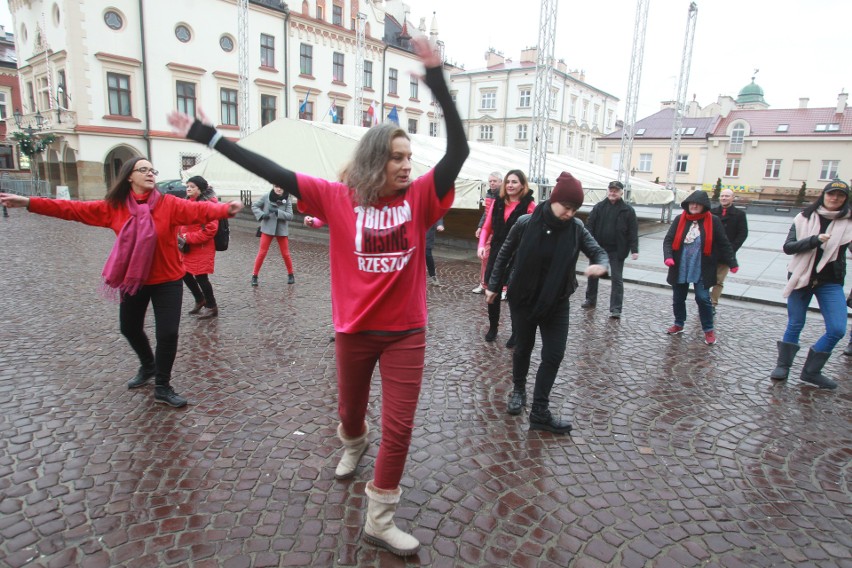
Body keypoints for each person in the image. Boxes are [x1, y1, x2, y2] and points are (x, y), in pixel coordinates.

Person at [168, 35, 469, 557]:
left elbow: (459, 150)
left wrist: (437, 80)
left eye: (410, 156)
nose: (406, 165)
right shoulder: (336, 198)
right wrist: (208, 136)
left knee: (399, 427)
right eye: (397, 157)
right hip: (353, 329)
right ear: (376, 159)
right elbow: (271, 171)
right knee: (352, 411)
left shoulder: (421, 198)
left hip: (406, 333)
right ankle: (353, 440)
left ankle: (380, 517)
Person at [0, 158, 242, 408]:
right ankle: (148, 366)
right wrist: (29, 202)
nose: (150, 173)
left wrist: (225, 209)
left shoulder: (168, 204)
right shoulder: (114, 208)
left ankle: (162, 386)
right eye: (143, 169)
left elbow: (199, 211)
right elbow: (72, 209)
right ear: (129, 176)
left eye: (152, 169)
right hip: (134, 279)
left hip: (168, 279)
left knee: (167, 333)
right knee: (129, 328)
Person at [486, 172, 608, 433]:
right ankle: (518, 391)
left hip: (557, 300)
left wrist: (601, 263)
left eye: (575, 209)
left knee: (554, 355)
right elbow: (504, 253)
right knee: (522, 349)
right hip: (524, 298)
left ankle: (540, 411)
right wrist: (494, 286)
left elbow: (597, 251)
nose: (570, 213)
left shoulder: (576, 228)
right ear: (554, 200)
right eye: (567, 207)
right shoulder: (525, 222)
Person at [770, 180, 852, 389]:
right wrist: (815, 240)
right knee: (795, 322)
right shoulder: (803, 218)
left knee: (837, 328)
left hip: (830, 281)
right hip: (800, 277)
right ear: (823, 195)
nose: (835, 198)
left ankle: (811, 371)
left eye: (840, 196)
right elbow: (789, 247)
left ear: (845, 199)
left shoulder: (849, 223)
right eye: (831, 194)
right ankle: (783, 366)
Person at [662, 190, 738, 345]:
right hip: (681, 265)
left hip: (702, 267)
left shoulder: (713, 221)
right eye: (691, 203)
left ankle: (708, 330)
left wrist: (732, 262)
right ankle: (679, 323)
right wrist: (668, 256)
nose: (694, 206)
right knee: (678, 298)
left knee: (703, 298)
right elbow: (668, 240)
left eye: (697, 204)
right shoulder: (679, 219)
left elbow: (724, 243)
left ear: (704, 206)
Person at [479, 169, 535, 344]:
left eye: (515, 182)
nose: (510, 185)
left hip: (519, 254)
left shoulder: (529, 206)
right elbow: (487, 226)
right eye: (508, 182)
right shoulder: (498, 202)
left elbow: (535, 233)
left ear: (522, 185)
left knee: (514, 294)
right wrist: (482, 245)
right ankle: (493, 326)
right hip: (497, 251)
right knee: (492, 289)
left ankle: (516, 332)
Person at [582, 180, 638, 318]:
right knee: (593, 275)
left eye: (616, 190)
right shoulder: (599, 207)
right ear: (608, 191)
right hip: (598, 248)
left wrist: (634, 249)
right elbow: (589, 226)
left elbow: (633, 231)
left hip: (617, 250)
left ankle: (616, 308)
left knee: (617, 279)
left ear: (621, 192)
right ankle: (591, 299)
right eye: (611, 190)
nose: (613, 193)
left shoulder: (628, 210)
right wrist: (589, 244)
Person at [179, 175, 220, 319]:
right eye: (187, 186)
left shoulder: (208, 205)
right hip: (187, 247)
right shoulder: (186, 202)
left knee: (201, 277)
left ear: (200, 189)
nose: (188, 189)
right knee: (184, 273)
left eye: (192, 186)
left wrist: (187, 238)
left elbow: (210, 229)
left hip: (202, 247)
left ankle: (211, 306)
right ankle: (200, 299)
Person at [710, 188, 748, 312]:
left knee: (719, 281)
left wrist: (731, 249)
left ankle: (712, 304)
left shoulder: (739, 215)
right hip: (710, 252)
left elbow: (742, 234)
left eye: (727, 196)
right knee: (704, 279)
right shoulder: (712, 212)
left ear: (732, 198)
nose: (724, 198)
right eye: (722, 196)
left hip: (726, 254)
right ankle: (704, 302)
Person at [251, 185, 295, 286]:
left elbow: (290, 216)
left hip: (281, 230)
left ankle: (291, 274)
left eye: (281, 187)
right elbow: (254, 206)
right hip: (267, 229)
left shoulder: (287, 199)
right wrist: (262, 215)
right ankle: (254, 276)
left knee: (285, 254)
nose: (279, 189)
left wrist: (278, 212)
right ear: (273, 186)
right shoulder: (267, 196)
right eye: (276, 186)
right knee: (262, 253)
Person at [471, 172, 501, 294]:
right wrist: (480, 226)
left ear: (500, 182)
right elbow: (486, 213)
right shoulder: (489, 194)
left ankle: (502, 287)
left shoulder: (504, 196)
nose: (492, 183)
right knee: (485, 258)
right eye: (490, 181)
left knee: (502, 259)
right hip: (489, 232)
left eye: (494, 181)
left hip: (500, 232)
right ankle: (484, 284)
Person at [425, 217, 444, 285]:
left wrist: (439, 224)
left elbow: (438, 214)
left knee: (427, 254)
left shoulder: (430, 206)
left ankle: (432, 275)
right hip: (414, 231)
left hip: (427, 231)